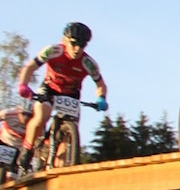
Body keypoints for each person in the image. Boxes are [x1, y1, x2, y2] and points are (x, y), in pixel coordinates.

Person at [14, 21, 109, 171]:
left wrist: (101, 98)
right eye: (73, 44)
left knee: (68, 136)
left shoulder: (88, 63)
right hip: (50, 89)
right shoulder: (53, 51)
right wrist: (23, 85)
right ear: (64, 40)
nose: (77, 49)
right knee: (42, 115)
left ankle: (60, 169)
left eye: (82, 45)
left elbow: (101, 84)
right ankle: (27, 150)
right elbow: (30, 67)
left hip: (71, 95)